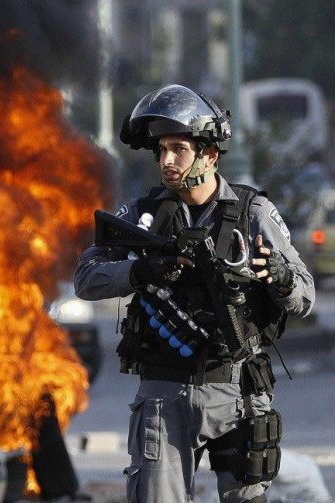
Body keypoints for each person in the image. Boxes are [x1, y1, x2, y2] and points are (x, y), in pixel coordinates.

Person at [73, 84, 315, 502]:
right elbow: (86, 278)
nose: (167, 160)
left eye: (179, 148)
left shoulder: (251, 213)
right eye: (162, 149)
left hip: (237, 390)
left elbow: (305, 296)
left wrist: (279, 275)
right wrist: (141, 270)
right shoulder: (143, 215)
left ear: (210, 154)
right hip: (164, 391)